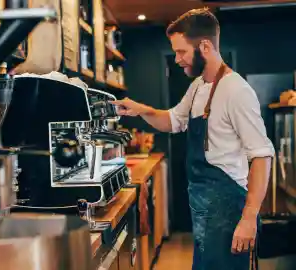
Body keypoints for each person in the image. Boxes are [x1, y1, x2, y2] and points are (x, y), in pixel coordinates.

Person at [111, 8, 274, 270]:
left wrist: (248, 219)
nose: (177, 59)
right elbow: (173, 120)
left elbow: (262, 155)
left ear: (205, 46)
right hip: (205, 213)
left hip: (229, 214)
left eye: (181, 51)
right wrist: (140, 110)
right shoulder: (198, 86)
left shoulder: (236, 91)